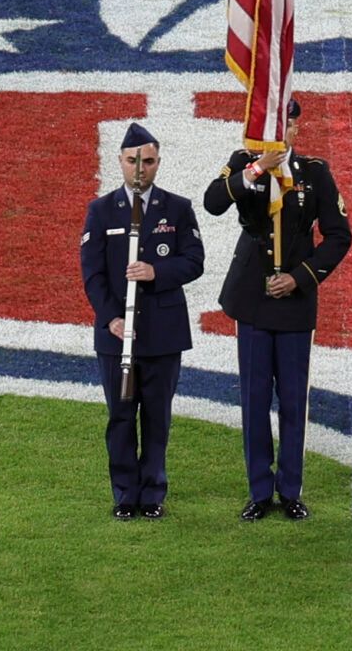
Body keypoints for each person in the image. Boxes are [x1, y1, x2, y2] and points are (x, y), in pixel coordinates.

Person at [205, 98, 352, 521]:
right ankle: (258, 490)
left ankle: (290, 489)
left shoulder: (315, 173)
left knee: (292, 399)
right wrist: (255, 168)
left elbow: (339, 235)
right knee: (253, 399)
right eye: (273, 124)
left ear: (295, 130)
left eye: (288, 125)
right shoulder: (243, 163)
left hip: (294, 301)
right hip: (251, 297)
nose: (282, 132)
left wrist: (302, 277)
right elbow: (213, 201)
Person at [80, 122, 204, 520]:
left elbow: (194, 262)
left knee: (156, 416)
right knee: (120, 416)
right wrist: (111, 318)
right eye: (133, 160)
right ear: (119, 160)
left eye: (147, 161)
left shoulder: (178, 208)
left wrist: (156, 272)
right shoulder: (100, 211)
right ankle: (124, 495)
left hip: (163, 334)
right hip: (117, 335)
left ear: (158, 163)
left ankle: (152, 494)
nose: (140, 169)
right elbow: (92, 273)